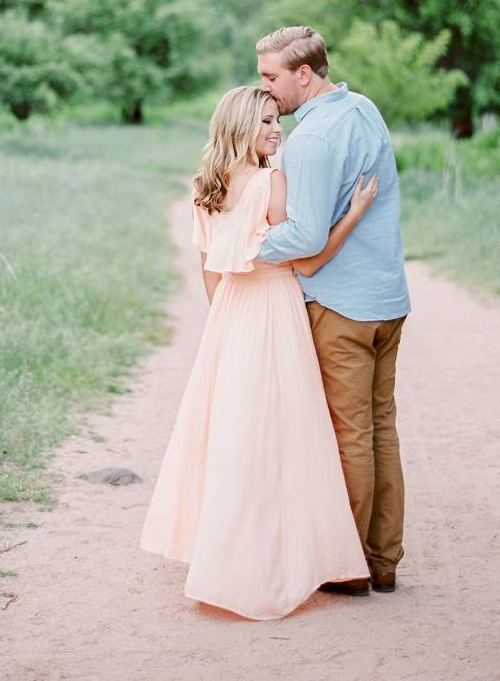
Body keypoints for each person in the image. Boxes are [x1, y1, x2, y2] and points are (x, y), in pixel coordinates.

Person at [140, 86, 378, 620]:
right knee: (281, 436)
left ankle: (225, 556)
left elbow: (210, 270)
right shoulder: (273, 181)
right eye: (267, 122)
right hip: (273, 314)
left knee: (232, 435)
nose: (277, 129)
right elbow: (310, 261)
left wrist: (225, 325)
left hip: (229, 317)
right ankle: (272, 563)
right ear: (241, 127)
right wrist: (356, 211)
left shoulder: (205, 188)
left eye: (278, 120)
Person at [256, 26, 411, 594]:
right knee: (380, 430)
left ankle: (347, 566)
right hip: (387, 300)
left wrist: (250, 242)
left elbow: (303, 235)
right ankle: (382, 561)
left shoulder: (312, 139)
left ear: (305, 73)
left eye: (272, 76)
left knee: (349, 436)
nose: (265, 89)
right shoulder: (363, 108)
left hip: (343, 306)